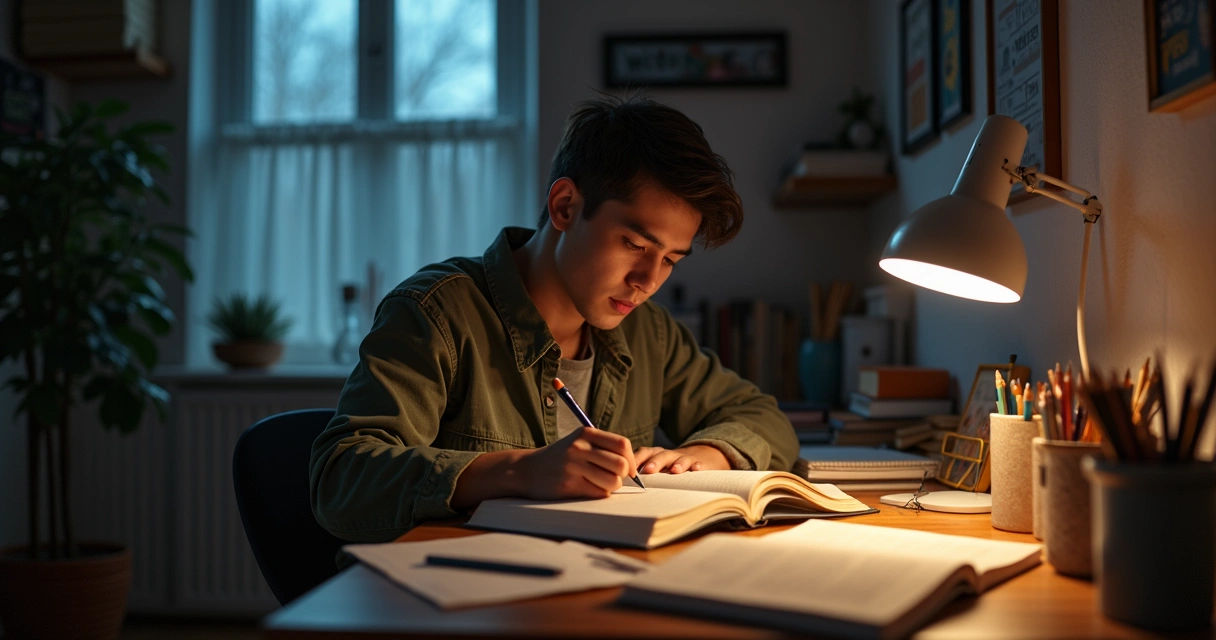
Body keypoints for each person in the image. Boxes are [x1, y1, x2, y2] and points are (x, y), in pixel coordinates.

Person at [310, 93, 799, 542]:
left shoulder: (648, 333)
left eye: (670, 258)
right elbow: (342, 480)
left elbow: (764, 418)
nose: (648, 280)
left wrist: (710, 454)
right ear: (565, 206)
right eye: (635, 244)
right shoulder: (437, 312)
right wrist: (517, 472)